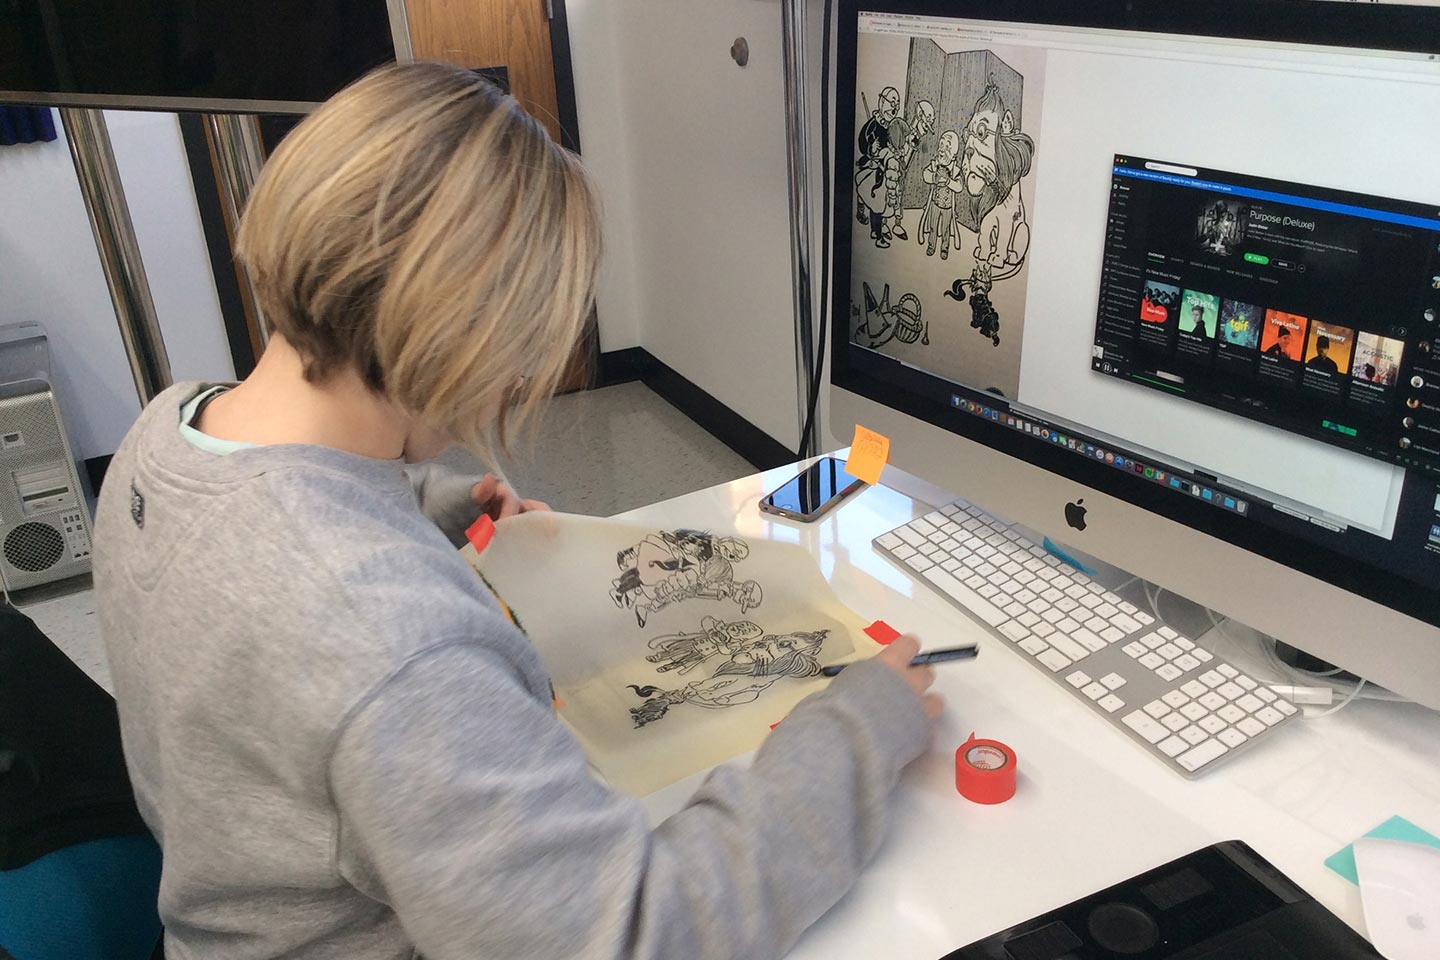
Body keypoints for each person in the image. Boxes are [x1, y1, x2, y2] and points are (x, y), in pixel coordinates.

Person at [92, 63, 942, 960]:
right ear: (461, 330)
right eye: (525, 349)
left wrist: (436, 509)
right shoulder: (393, 644)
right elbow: (635, 935)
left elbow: (288, 519)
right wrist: (856, 729)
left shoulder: (167, 430)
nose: (521, 384)